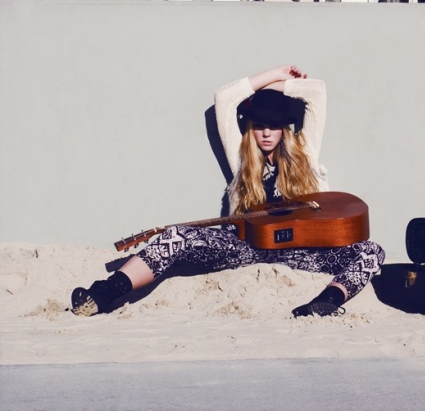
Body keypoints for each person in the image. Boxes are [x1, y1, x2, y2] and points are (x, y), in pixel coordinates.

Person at [71, 65, 385, 318]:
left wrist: (278, 87)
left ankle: (327, 300)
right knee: (176, 235)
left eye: (273, 126)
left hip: (305, 252)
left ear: (284, 129)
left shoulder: (306, 152)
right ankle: (101, 294)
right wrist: (273, 74)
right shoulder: (241, 156)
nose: (265, 132)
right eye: (259, 124)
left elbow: (316, 92)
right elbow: (225, 99)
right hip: (246, 248)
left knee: (372, 251)